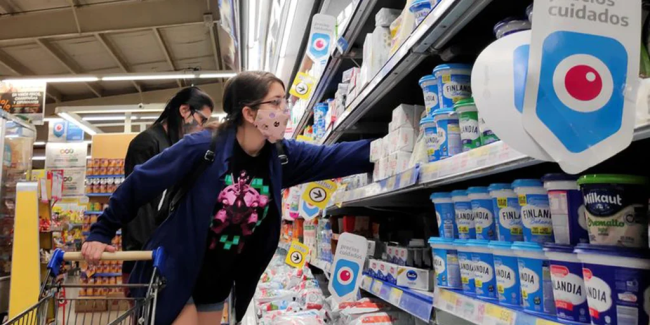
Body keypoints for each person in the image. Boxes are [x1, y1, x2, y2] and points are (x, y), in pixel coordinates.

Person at [82, 71, 373, 325]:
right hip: (175, 269)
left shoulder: (281, 155)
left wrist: (385, 147)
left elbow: (334, 156)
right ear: (249, 113)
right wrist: (101, 231)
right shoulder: (203, 147)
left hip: (218, 277)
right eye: (276, 102)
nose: (285, 109)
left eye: (285, 101)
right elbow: (141, 181)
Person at [121, 87, 214, 284]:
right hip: (146, 253)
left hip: (165, 247)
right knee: (146, 310)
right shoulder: (147, 143)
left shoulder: (175, 145)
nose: (202, 126)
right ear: (184, 111)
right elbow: (137, 202)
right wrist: (144, 253)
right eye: (202, 119)